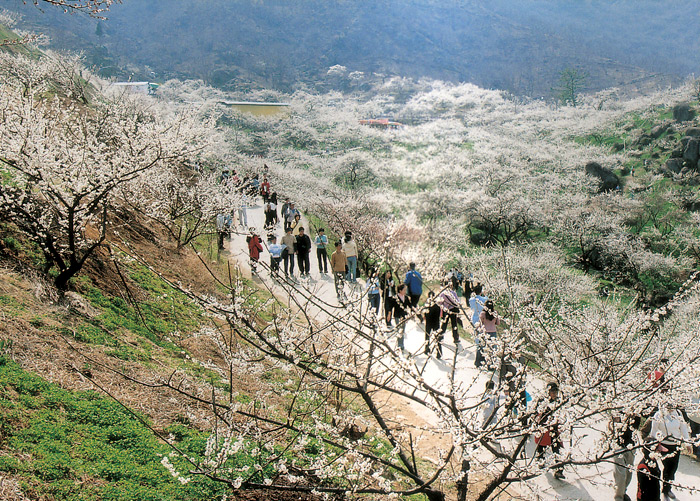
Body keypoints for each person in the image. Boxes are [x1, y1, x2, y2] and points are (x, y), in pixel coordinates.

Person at [648, 404, 690, 499]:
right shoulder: (659, 415)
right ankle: (664, 490)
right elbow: (653, 432)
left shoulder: (678, 413)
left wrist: (687, 443)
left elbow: (683, 428)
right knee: (666, 467)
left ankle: (668, 488)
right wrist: (654, 445)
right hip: (664, 445)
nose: (670, 407)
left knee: (673, 468)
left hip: (676, 445)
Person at [534, 382, 565, 480]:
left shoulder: (558, 401)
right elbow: (536, 413)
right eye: (552, 391)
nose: (554, 393)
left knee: (557, 448)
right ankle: (540, 460)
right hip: (544, 428)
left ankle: (559, 470)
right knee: (541, 446)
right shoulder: (543, 401)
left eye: (556, 391)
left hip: (554, 428)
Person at [609, 412, 641, 501]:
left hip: (631, 446)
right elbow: (612, 426)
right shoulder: (618, 410)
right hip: (618, 446)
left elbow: (636, 428)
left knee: (628, 473)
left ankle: (623, 491)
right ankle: (618, 497)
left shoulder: (637, 412)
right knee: (621, 474)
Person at [476, 298, 500, 369]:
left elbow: (480, 324)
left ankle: (478, 362)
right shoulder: (495, 313)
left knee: (481, 347)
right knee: (493, 349)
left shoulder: (483, 314)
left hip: (485, 332)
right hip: (493, 332)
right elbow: (498, 323)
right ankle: (491, 365)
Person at [438, 279, 462, 346]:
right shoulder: (453, 293)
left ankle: (440, 337)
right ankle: (456, 338)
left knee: (444, 324)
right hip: (453, 310)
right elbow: (457, 302)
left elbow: (439, 302)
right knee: (454, 324)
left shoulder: (442, 294)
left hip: (446, 310)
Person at [422, 291, 442, 357]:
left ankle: (427, 349)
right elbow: (440, 315)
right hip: (436, 323)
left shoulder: (427, 305)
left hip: (428, 322)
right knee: (437, 337)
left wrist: (425, 317)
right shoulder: (437, 306)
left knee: (427, 336)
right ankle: (439, 352)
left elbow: (424, 313)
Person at [393, 284, 411, 353]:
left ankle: (402, 344)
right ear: (400, 290)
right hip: (397, 315)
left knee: (403, 330)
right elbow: (391, 306)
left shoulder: (406, 297)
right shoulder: (396, 297)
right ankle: (399, 344)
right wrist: (389, 313)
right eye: (404, 290)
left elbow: (410, 305)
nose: (405, 291)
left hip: (404, 316)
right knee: (399, 330)